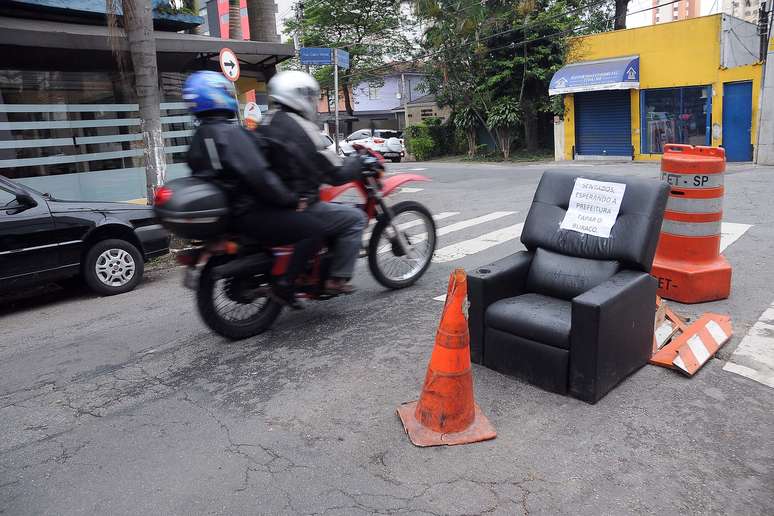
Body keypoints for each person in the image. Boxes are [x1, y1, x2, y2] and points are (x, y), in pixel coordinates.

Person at [183, 70, 322, 308]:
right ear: (218, 97)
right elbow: (260, 176)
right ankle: (285, 286)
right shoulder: (230, 133)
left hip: (229, 214)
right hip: (249, 212)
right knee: (314, 230)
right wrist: (290, 200)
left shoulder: (199, 136)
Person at [263, 70, 373, 295]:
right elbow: (335, 173)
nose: (313, 102)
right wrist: (357, 162)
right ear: (299, 96)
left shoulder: (267, 120)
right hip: (299, 200)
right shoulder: (302, 128)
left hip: (271, 200)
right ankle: (337, 279)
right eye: (311, 96)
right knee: (355, 218)